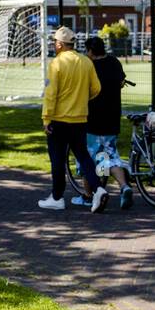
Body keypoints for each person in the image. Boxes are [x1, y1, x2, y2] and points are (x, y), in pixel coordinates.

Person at [38, 26, 107, 212]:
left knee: (58, 160)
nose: (54, 45)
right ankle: (98, 188)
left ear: (60, 44)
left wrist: (47, 118)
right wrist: (82, 99)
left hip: (59, 119)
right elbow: (96, 89)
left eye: (55, 42)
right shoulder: (86, 62)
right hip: (79, 118)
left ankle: (57, 197)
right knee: (83, 156)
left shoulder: (57, 64)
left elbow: (50, 94)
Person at [69, 35, 135, 210]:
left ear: (90, 51)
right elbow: (121, 82)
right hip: (112, 118)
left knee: (86, 157)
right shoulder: (114, 62)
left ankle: (89, 195)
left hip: (92, 119)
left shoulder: (89, 66)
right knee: (109, 157)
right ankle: (124, 186)